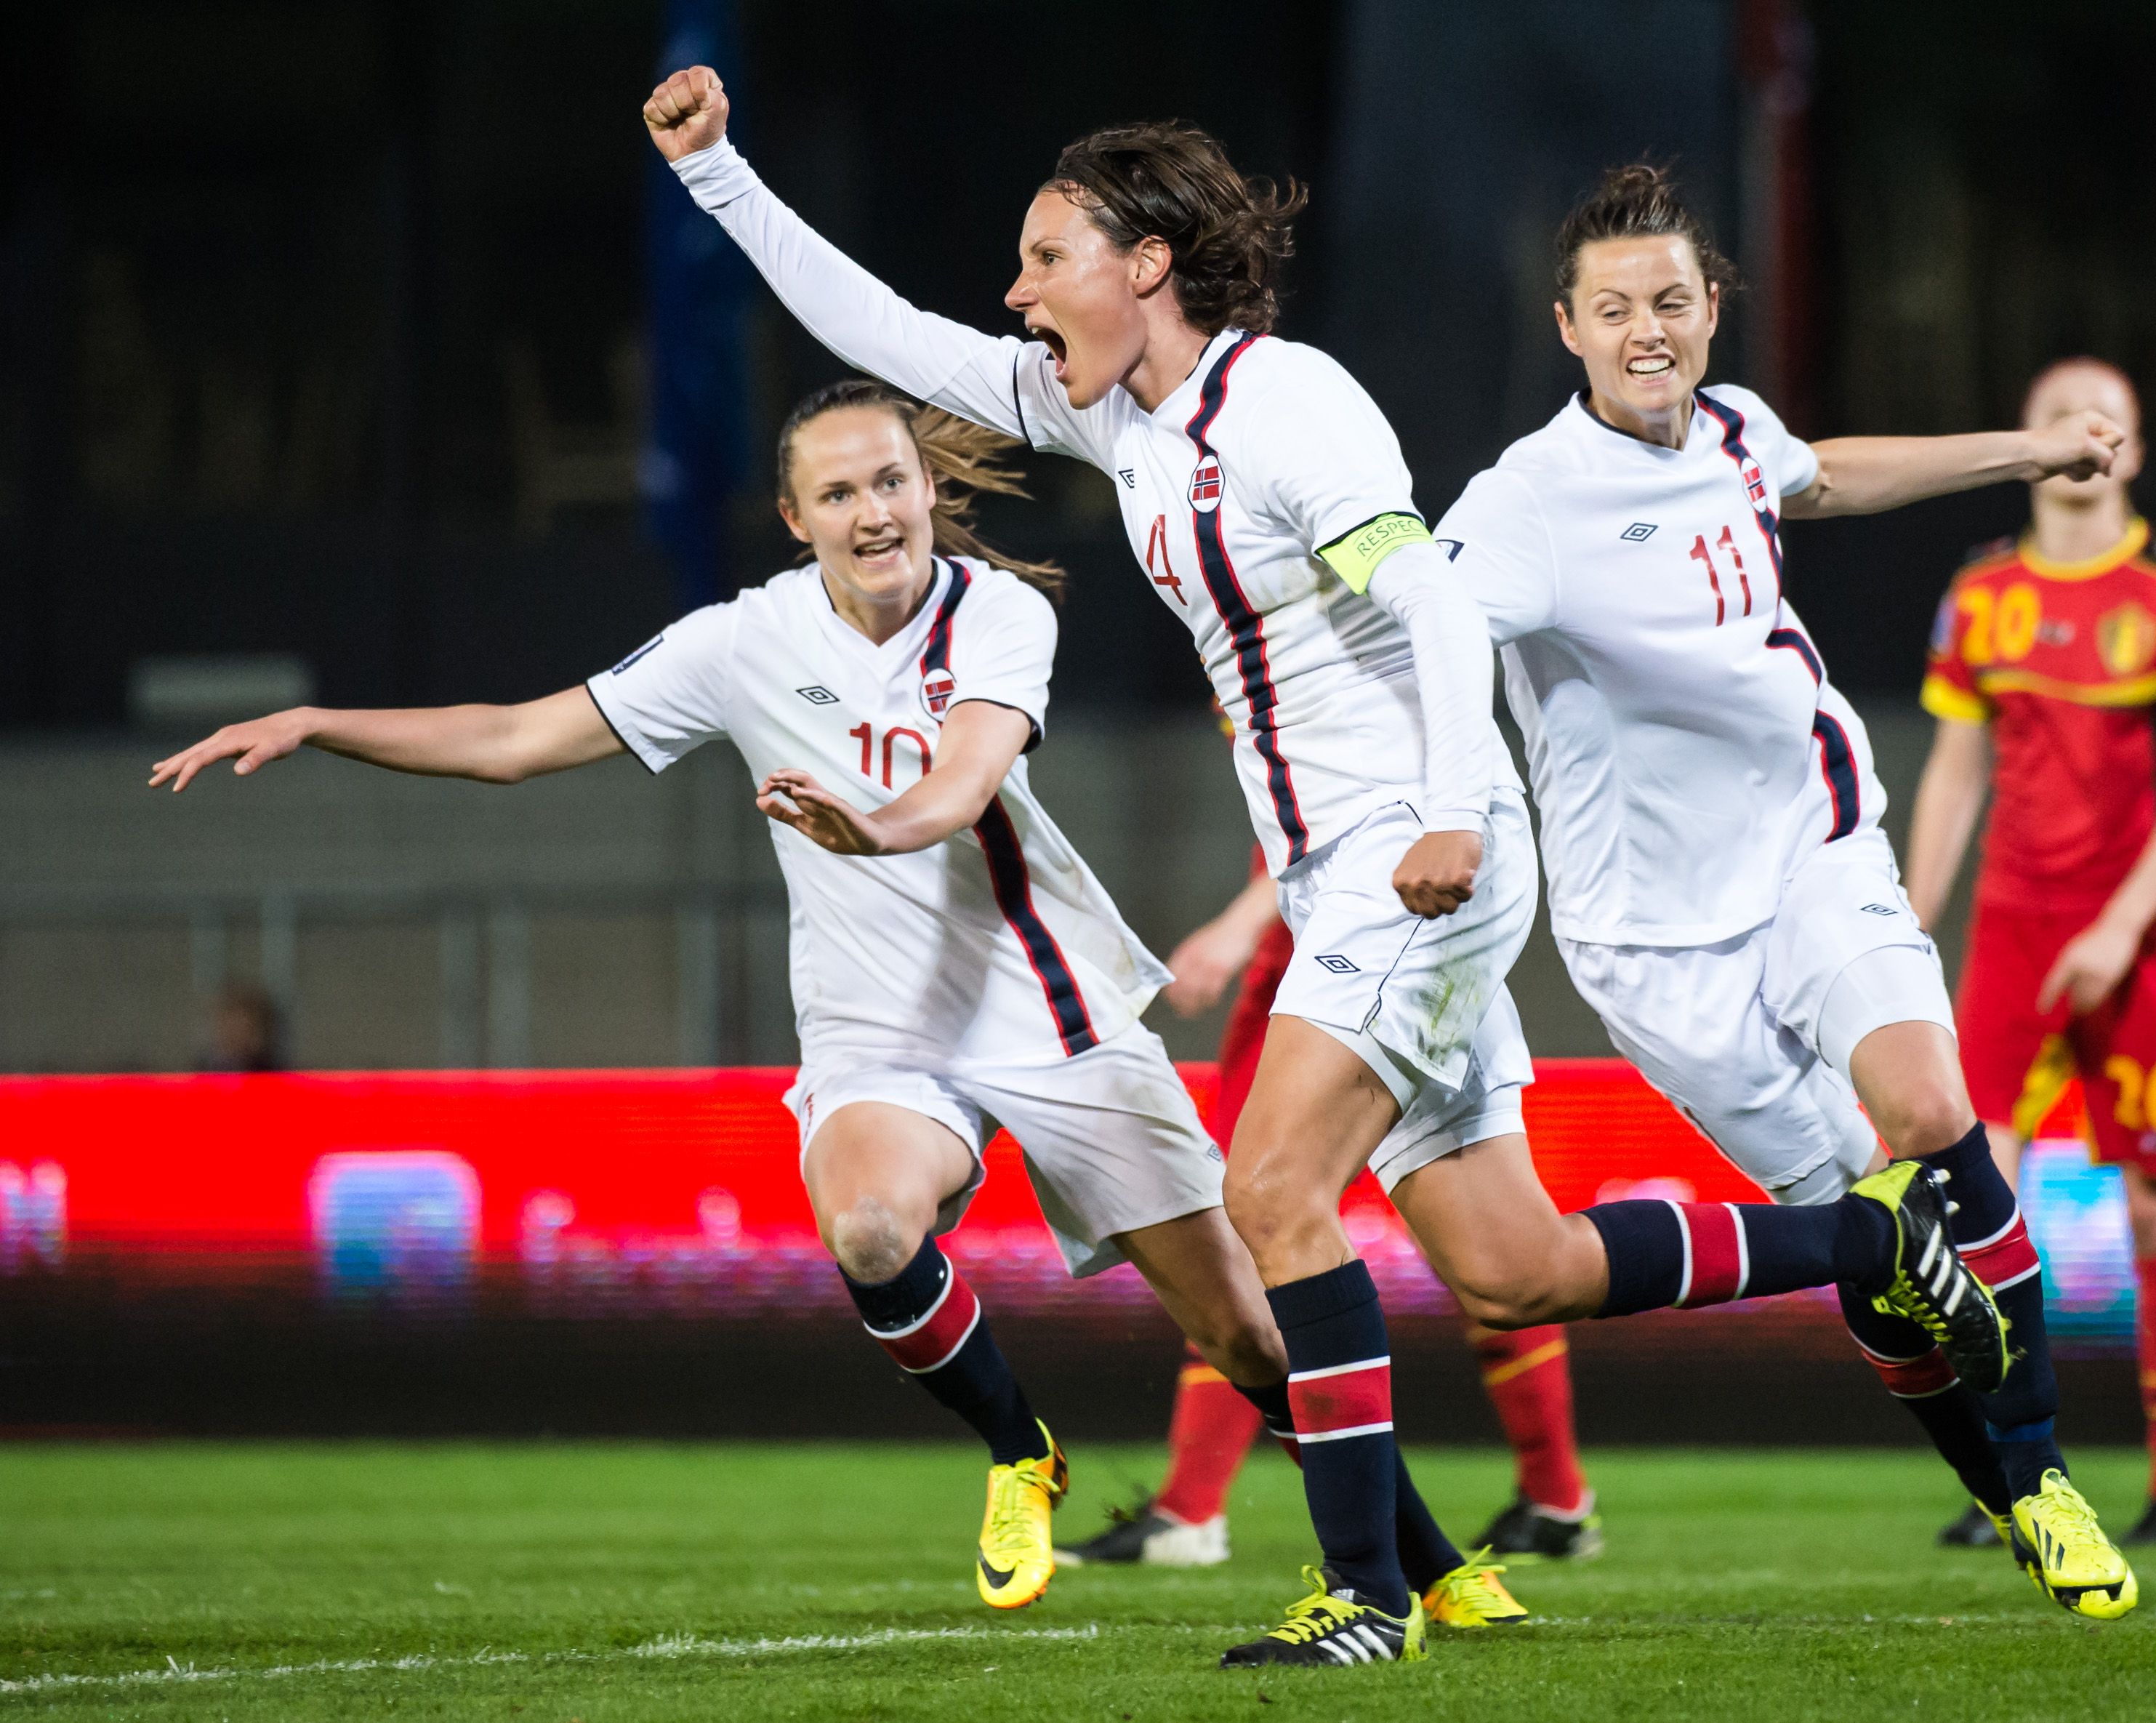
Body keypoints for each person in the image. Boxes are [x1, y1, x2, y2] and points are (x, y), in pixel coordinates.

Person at [643, 68, 2002, 1669]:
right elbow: (890, 334)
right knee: (1517, 1269)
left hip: (1414, 854)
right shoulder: (1113, 411)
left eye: (1046, 257)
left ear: (1144, 265)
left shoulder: (1288, 410)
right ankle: (1867, 1239)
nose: (1017, 293)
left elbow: (1427, 603)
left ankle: (1367, 1597)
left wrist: (1448, 809)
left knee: (1271, 1190)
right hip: (1345, 871)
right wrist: (717, 173)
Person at [152, 379, 1323, 1617]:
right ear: (795, 518)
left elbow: (962, 783)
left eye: (890, 481)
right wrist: (319, 721)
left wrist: (875, 829)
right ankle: (1019, 1452)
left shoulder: (997, 611)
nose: (873, 511)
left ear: (928, 490)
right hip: (880, 1033)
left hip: (1050, 1011)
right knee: (869, 1231)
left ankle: (1415, 1559)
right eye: (839, 492)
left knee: (1246, 1338)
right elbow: (512, 741)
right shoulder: (741, 642)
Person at [1434, 164, 2145, 1620]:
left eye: (1671, 301)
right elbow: (1426, 624)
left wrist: (2028, 452)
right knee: (1872, 1245)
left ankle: (2045, 1472)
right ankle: (1999, 1490)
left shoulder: (1733, 428)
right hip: (1652, 941)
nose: (1647, 330)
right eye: (1614, 309)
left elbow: (1820, 471)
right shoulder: (1523, 504)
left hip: (1814, 848)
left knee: (1930, 1113)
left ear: (1712, 308)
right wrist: (1431, 789)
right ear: (1567, 327)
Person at [1907, 356, 2156, 1550]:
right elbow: (1955, 770)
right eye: (2060, 415)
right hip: (2011, 931)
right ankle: (2010, 1476)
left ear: (2134, 452)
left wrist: (2117, 926)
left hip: (2141, 939)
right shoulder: (1982, 592)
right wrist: (1907, 917)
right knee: (1973, 1203)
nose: (2084, 434)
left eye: (2109, 419)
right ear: (2027, 439)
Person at [1058, 856, 1601, 1570]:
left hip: (1350, 972)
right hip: (1345, 966)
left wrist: (1238, 924)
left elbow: (1340, 828)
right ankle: (1555, 1498)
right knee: (1456, 1254)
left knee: (1486, 1258)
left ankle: (1193, 1514)